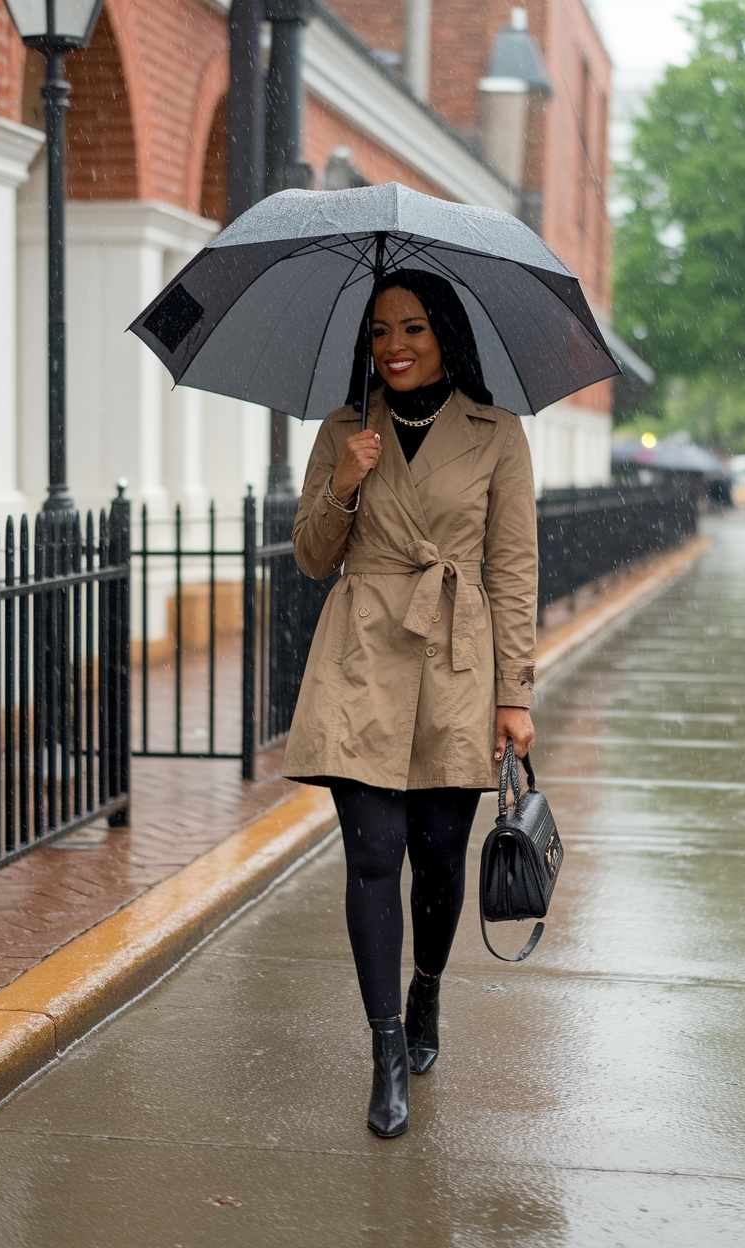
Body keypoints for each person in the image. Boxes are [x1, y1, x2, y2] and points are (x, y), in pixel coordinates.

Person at [283, 268, 538, 1138]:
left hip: (458, 659)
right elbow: (312, 557)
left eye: (413, 328)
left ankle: (426, 989)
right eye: (380, 331)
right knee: (371, 856)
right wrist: (343, 483)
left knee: (436, 857)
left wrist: (514, 694)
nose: (394, 346)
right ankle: (386, 1049)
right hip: (361, 656)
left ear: (445, 336)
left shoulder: (497, 432)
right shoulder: (344, 430)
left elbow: (513, 568)